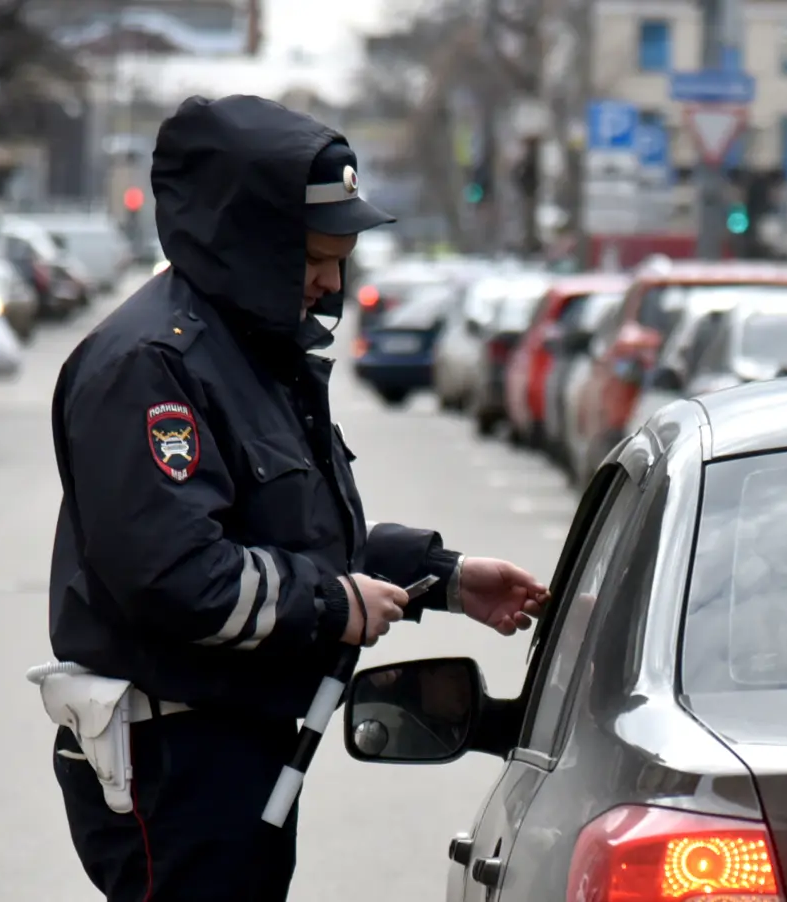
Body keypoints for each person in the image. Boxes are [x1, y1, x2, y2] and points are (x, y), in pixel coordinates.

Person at [46, 94, 551, 902]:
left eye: (340, 256)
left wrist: (445, 579)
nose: (329, 279)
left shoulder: (248, 351)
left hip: (233, 752)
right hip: (175, 764)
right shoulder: (151, 365)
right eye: (314, 255)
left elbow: (291, 538)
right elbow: (179, 576)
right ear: (247, 244)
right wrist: (333, 603)